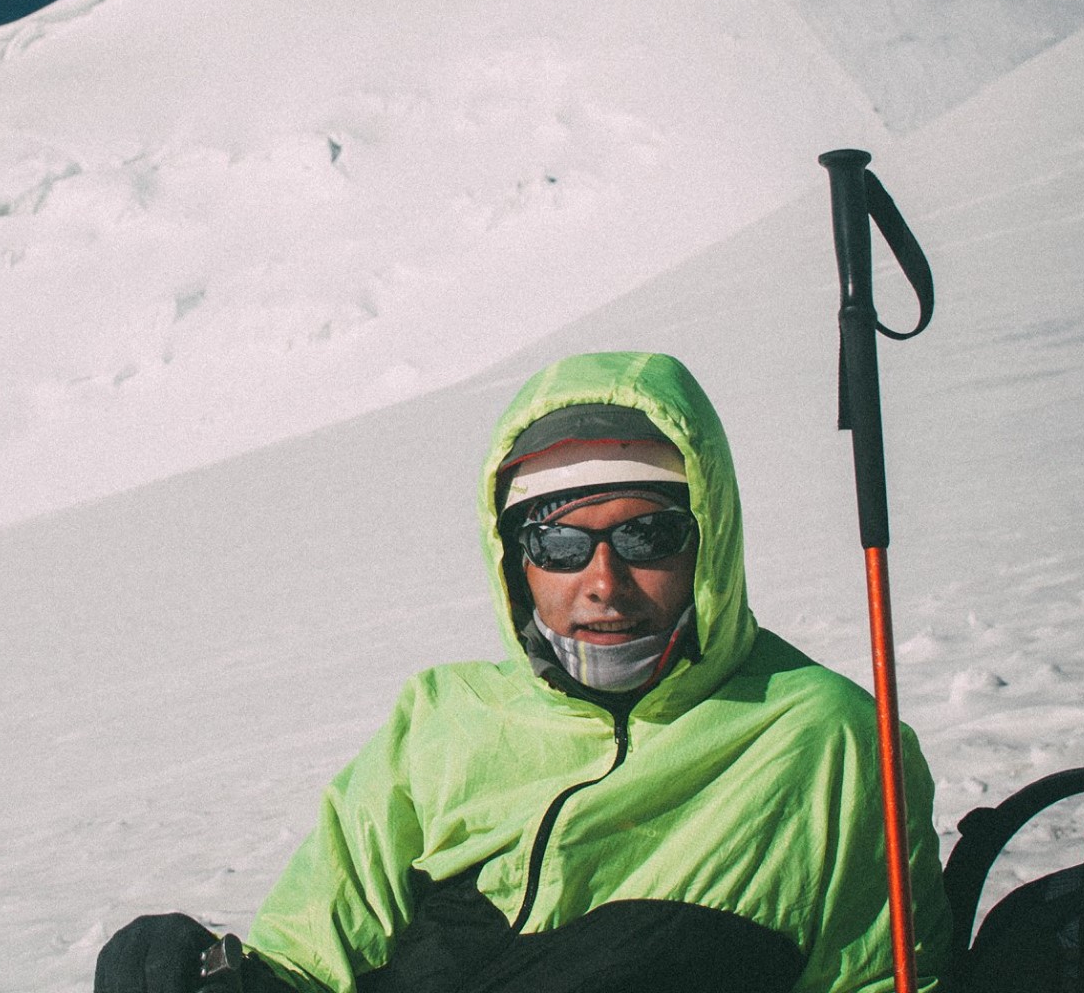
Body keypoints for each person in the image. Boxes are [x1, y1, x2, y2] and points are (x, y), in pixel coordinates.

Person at [97, 351, 951, 993]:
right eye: (560, 543)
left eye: (649, 536)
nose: (605, 583)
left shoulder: (824, 741)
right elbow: (314, 952)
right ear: (516, 563)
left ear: (708, 541)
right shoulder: (441, 719)